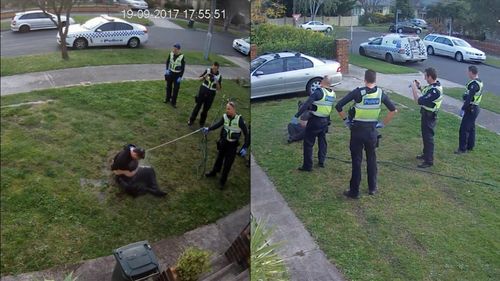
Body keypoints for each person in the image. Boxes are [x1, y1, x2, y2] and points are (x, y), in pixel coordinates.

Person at [336, 69, 396, 199]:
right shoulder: (380, 93)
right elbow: (393, 110)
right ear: (375, 80)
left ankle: (354, 191)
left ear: (365, 79)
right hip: (371, 132)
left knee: (356, 161)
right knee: (372, 159)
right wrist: (382, 124)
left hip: (357, 131)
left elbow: (339, 106)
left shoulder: (358, 92)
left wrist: (346, 121)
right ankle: (372, 187)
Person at [292, 75, 335, 171]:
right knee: (322, 141)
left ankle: (307, 166)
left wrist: (297, 115)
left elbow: (306, 104)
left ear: (323, 82)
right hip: (325, 121)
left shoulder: (318, 92)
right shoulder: (332, 94)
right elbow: (327, 107)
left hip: (315, 120)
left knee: (308, 143)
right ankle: (321, 161)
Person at [203, 102, 250, 188]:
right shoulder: (225, 117)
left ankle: (222, 181)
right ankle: (214, 172)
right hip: (224, 142)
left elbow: (246, 134)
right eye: (226, 108)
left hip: (232, 145)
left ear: (234, 109)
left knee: (228, 164)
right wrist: (209, 129)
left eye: (229, 109)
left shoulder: (239, 120)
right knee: (219, 158)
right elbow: (218, 124)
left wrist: (245, 147)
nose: (227, 110)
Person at [411, 67, 443, 168]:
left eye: (425, 76)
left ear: (429, 76)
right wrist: (419, 86)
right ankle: (425, 155)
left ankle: (429, 161)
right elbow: (426, 91)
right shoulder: (433, 86)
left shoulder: (435, 91)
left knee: (428, 138)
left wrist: (414, 89)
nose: (424, 78)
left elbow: (418, 101)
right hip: (426, 115)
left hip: (429, 117)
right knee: (425, 136)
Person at [456, 65, 483, 154]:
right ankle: (470, 146)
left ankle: (462, 149)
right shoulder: (479, 82)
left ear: (471, 72)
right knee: (471, 128)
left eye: (468, 72)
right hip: (475, 108)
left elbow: (469, 97)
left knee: (464, 129)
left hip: (471, 108)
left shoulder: (474, 84)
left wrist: (463, 108)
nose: (467, 73)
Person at [188, 62, 222, 127]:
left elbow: (219, 89)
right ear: (212, 66)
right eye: (213, 68)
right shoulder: (208, 70)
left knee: (205, 109)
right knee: (197, 106)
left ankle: (202, 123)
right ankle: (191, 120)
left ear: (218, 69)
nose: (214, 70)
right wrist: (205, 76)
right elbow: (199, 79)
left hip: (211, 94)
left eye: (215, 69)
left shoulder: (219, 76)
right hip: (203, 91)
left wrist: (217, 81)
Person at [164, 43, 185, 108]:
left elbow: (183, 68)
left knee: (176, 89)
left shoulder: (182, 57)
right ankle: (167, 99)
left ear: (179, 50)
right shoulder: (171, 54)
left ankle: (173, 102)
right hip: (170, 73)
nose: (174, 50)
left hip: (177, 75)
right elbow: (167, 62)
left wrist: (180, 77)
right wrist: (167, 69)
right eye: (173, 49)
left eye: (175, 49)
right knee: (168, 87)